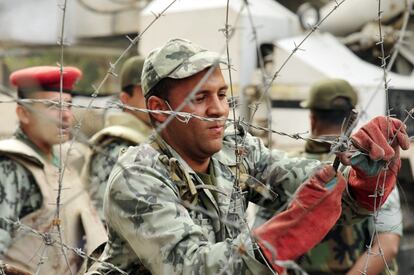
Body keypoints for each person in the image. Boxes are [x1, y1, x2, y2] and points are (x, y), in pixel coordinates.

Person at [86, 38, 409, 275]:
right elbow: (191, 269)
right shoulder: (138, 176)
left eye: (223, 95)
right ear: (159, 110)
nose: (218, 109)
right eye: (200, 98)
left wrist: (361, 176)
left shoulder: (236, 151)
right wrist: (283, 234)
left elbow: (315, 184)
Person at [254, 78, 402, 275]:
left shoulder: (285, 169)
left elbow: (261, 241)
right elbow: (387, 243)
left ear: (312, 118)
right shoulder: (370, 169)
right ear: (354, 119)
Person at [0, 66, 106, 274]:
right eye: (53, 106)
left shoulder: (65, 163)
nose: (66, 115)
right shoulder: (12, 166)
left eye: (68, 105)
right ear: (23, 113)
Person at [82, 56, 152, 219]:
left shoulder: (149, 139)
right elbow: (102, 216)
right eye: (145, 93)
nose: (154, 100)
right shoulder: (116, 145)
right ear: (125, 99)